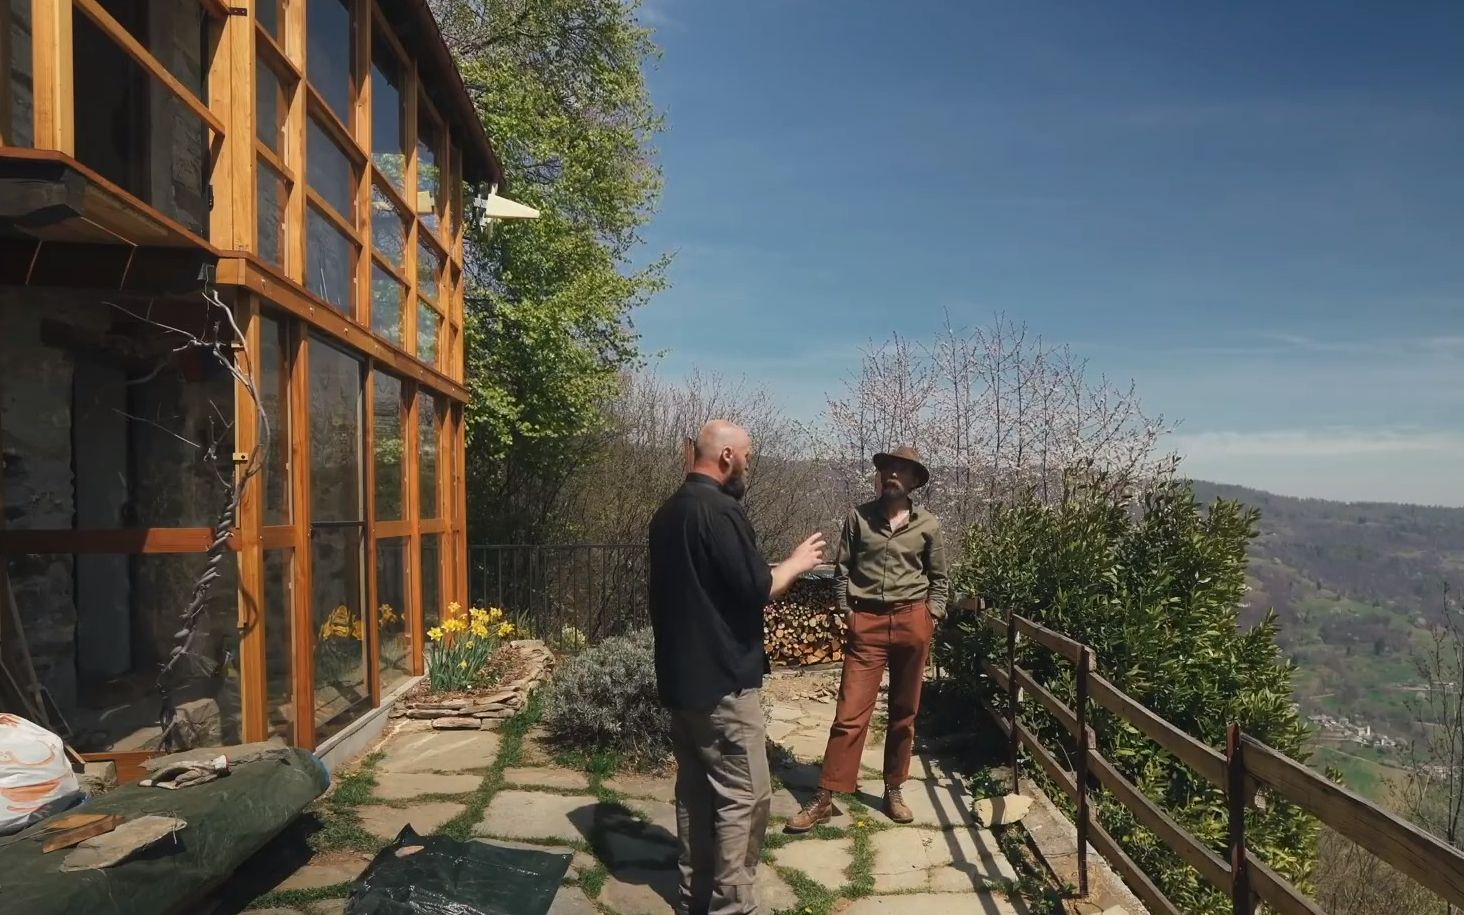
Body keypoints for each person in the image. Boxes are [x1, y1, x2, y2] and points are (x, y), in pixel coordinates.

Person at [649, 420, 827, 915]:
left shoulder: (668, 514)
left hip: (681, 683)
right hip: (724, 686)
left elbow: (720, 583)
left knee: (695, 797)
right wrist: (795, 563)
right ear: (726, 456)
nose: (749, 464)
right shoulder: (720, 512)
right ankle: (732, 906)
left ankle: (694, 900)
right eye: (747, 456)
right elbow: (758, 588)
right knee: (745, 800)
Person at [785, 446, 949, 832]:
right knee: (849, 714)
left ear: (914, 481)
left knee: (904, 713)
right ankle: (826, 795)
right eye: (887, 469)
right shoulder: (858, 518)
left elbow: (940, 579)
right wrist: (848, 612)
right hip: (868, 626)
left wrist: (932, 616)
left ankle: (894, 788)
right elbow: (842, 570)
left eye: (901, 470)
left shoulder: (928, 525)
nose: (891, 474)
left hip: (912, 622)